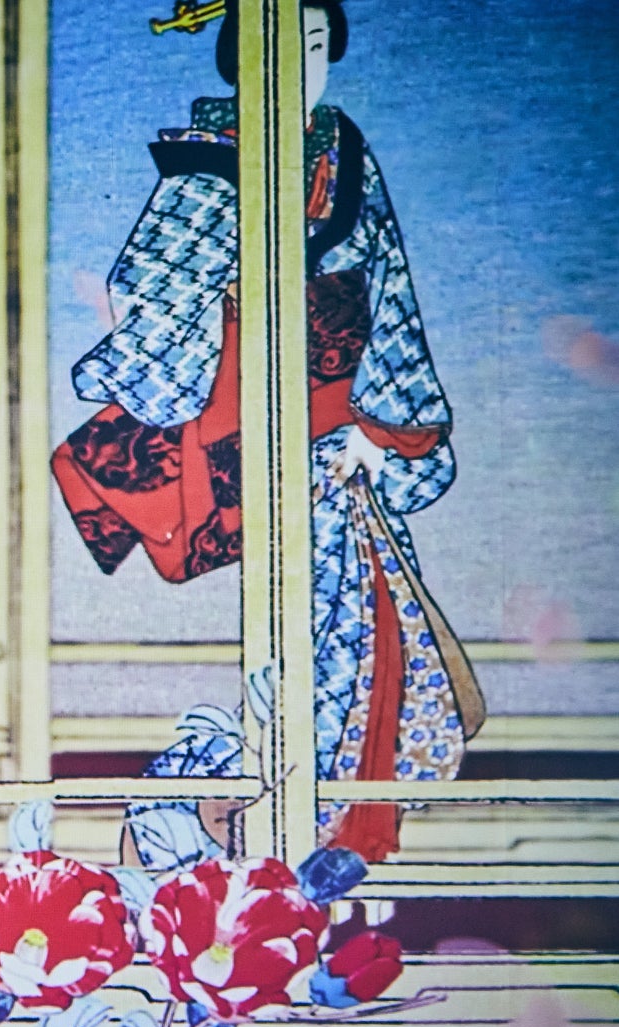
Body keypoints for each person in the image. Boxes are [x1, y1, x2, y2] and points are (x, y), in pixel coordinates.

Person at [50, 1, 483, 862]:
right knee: (291, 645)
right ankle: (235, 833)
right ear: (239, 56)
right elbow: (151, 296)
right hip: (240, 421)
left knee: (365, 633)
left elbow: (390, 296)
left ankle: (317, 844)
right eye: (278, 45)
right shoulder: (204, 162)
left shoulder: (345, 154)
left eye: (316, 45)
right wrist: (219, 306)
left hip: (341, 429)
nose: (300, 64)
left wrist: (384, 432)